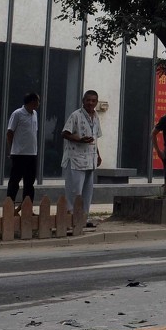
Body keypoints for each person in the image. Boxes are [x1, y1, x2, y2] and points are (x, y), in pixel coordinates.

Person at [62, 90, 103, 229]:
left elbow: (95, 138)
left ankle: (84, 218)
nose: (90, 103)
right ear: (83, 101)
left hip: (90, 159)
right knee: (75, 191)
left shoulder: (96, 116)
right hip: (75, 159)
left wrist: (98, 154)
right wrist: (79, 140)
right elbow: (65, 133)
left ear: (96, 102)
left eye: (93, 100)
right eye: (88, 100)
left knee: (87, 192)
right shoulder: (76, 115)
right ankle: (71, 220)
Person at [6, 92, 40, 204]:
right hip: (19, 153)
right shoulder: (17, 113)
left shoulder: (34, 114)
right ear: (32, 102)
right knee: (14, 181)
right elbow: (10, 132)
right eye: (37, 101)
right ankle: (9, 206)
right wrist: (11, 149)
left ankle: (27, 208)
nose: (38, 104)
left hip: (32, 153)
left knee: (29, 183)